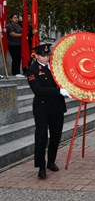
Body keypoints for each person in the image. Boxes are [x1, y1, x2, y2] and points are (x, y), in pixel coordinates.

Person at [26, 44, 71, 179]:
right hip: (42, 108)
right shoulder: (32, 70)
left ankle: (51, 161)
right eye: (44, 56)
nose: (47, 58)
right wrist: (59, 91)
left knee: (56, 135)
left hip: (57, 107)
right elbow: (38, 90)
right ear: (37, 56)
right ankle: (41, 166)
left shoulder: (55, 67)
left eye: (48, 55)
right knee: (41, 137)